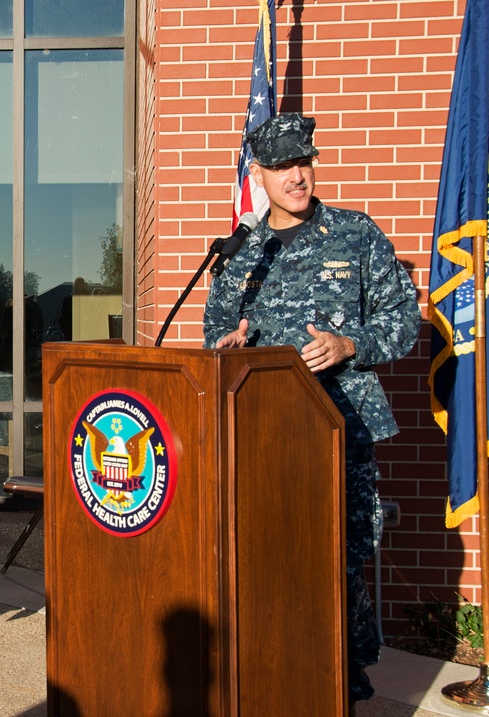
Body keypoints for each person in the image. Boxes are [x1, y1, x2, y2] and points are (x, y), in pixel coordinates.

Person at [202, 113, 420, 710]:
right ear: (260, 174)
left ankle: (341, 682)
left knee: (342, 558)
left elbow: (404, 322)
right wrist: (228, 347)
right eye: (280, 166)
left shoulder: (356, 235)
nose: (296, 176)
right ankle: (276, 676)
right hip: (262, 437)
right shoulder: (241, 253)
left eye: (304, 162)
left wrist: (352, 345)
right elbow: (214, 335)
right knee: (269, 558)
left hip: (341, 429)